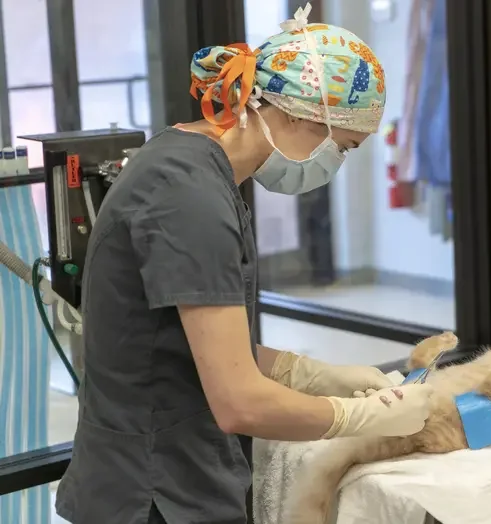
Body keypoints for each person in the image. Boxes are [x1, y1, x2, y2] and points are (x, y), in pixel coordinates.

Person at [55, 7, 434, 524]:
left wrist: (312, 374)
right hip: (155, 493)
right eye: (341, 146)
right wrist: (361, 416)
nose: (334, 163)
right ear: (301, 115)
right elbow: (240, 403)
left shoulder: (187, 159)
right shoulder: (189, 198)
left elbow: (195, 343)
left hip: (161, 473)